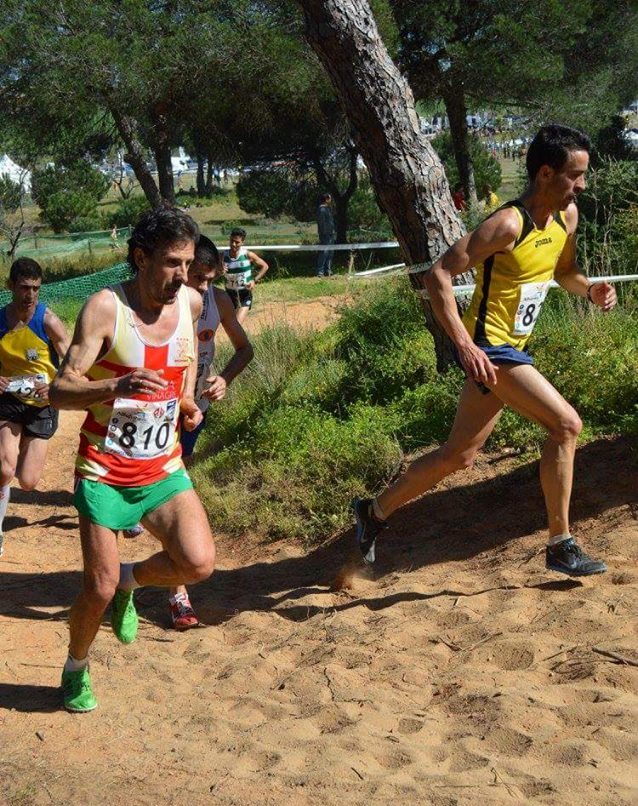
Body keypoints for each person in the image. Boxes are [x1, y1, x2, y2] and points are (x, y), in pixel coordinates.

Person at [353, 124, 617, 577]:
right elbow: (437, 276)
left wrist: (590, 289)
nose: (583, 185)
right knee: (566, 425)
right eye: (576, 175)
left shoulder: (565, 219)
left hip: (511, 349)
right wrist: (463, 346)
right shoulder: (506, 224)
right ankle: (561, 543)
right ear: (546, 173)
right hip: (492, 350)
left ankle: (373, 512)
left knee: (458, 455)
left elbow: (566, 271)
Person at [50, 207, 216, 712]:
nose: (182, 275)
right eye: (171, 263)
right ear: (141, 258)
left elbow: (182, 368)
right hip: (104, 468)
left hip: (162, 464)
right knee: (95, 588)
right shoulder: (105, 308)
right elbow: (59, 389)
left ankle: (132, 579)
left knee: (198, 562)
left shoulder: (189, 302)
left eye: (187, 263)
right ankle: (77, 666)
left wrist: (188, 404)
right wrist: (115, 384)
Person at [167, 234, 253, 629]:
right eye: (196, 278)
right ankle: (176, 591)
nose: (201, 287)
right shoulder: (162, 303)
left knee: (176, 489)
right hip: (157, 414)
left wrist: (224, 380)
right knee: (175, 493)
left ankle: (157, 583)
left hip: (194, 412)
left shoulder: (217, 302)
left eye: (208, 279)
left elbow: (244, 349)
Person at [0, 258, 70, 557]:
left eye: (36, 289)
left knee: (27, 481)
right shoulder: (0, 320)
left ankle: (20, 451)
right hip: (9, 402)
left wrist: (56, 386)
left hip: (42, 404)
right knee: (4, 469)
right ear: (10, 287)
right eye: (24, 288)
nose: (30, 295)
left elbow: (71, 361)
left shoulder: (48, 321)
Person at [221, 228, 269, 325]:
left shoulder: (248, 255)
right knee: (229, 324)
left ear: (243, 242)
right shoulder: (223, 256)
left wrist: (254, 280)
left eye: (237, 242)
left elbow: (265, 266)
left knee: (237, 324)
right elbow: (212, 273)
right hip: (229, 294)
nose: (233, 244)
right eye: (231, 241)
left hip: (244, 293)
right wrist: (219, 271)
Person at [316, 193, 336, 277]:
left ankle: (328, 270)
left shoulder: (328, 209)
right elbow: (321, 223)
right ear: (326, 199)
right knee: (324, 252)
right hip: (325, 235)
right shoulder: (322, 209)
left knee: (330, 253)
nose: (331, 200)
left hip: (331, 234)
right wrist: (324, 233)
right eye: (330, 199)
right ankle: (320, 271)